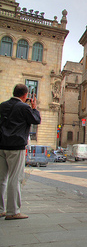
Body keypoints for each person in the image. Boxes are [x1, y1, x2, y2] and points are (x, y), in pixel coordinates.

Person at [0, 84, 41, 220]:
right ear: (25, 95)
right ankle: (13, 211)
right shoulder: (24, 108)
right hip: (16, 146)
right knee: (15, 178)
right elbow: (36, 120)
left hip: (1, 145)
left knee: (1, 179)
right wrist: (34, 108)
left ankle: (0, 209)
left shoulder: (2, 105)